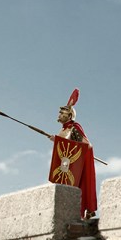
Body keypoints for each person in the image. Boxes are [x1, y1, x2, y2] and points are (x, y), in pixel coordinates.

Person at [49, 88, 98, 218]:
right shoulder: (64, 130)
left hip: (76, 167)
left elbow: (87, 145)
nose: (59, 115)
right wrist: (57, 140)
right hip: (66, 166)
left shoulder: (74, 128)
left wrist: (58, 140)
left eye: (62, 113)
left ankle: (84, 212)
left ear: (69, 115)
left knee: (78, 188)